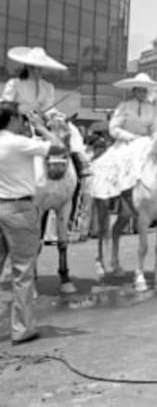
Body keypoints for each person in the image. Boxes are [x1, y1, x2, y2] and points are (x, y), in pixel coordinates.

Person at [0, 101, 64, 345]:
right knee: (23, 271)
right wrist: (40, 126)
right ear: (13, 120)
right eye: (20, 118)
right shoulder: (19, 142)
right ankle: (22, 328)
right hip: (19, 209)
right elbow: (59, 148)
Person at [2, 46, 90, 181]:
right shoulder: (14, 84)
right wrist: (26, 109)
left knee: (70, 129)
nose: (39, 71)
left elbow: (48, 107)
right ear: (28, 67)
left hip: (41, 120)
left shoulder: (47, 86)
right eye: (36, 68)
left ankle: (80, 161)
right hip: (17, 119)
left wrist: (55, 115)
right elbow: (6, 106)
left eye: (41, 68)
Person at [86, 73, 157, 205]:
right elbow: (114, 128)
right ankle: (113, 196)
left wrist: (153, 139)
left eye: (144, 90)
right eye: (139, 89)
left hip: (146, 143)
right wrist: (130, 137)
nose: (142, 93)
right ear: (134, 91)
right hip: (126, 143)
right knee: (108, 166)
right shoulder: (125, 106)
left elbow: (156, 129)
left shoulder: (152, 109)